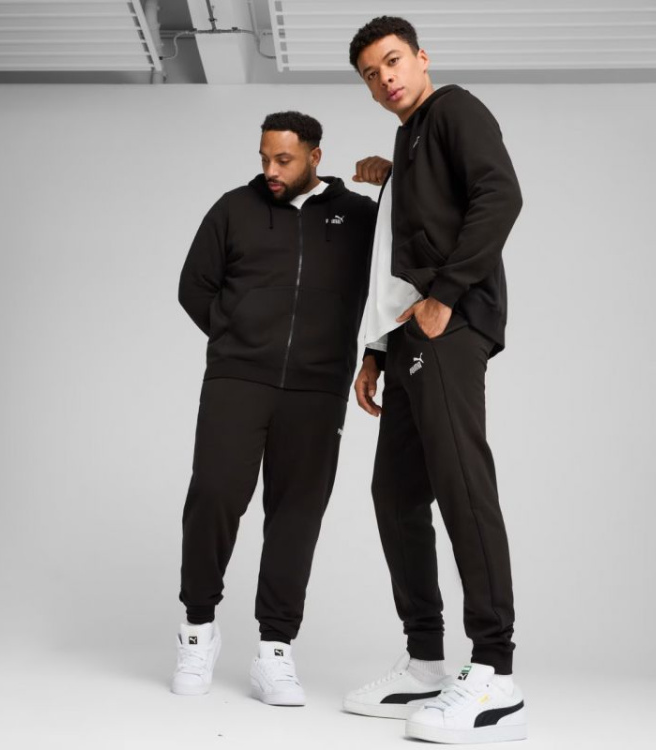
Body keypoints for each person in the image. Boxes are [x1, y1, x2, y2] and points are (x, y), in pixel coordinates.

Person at [342, 16, 527, 744]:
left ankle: (496, 672)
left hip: (450, 327)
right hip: (408, 338)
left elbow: (499, 195)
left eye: (393, 61)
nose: (384, 78)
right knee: (395, 495)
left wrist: (446, 296)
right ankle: (424, 661)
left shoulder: (453, 108)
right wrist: (377, 350)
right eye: (371, 73)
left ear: (421, 57)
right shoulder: (409, 140)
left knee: (461, 485)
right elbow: (404, 250)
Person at [173, 111, 376, 706]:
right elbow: (193, 285)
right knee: (214, 495)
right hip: (238, 378)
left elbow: (393, 280)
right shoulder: (234, 209)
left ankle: (275, 650)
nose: (271, 170)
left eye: (283, 159)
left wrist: (371, 356)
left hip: (317, 388)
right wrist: (238, 336)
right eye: (264, 157)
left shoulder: (359, 218)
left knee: (297, 513)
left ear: (315, 156)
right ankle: (197, 630)